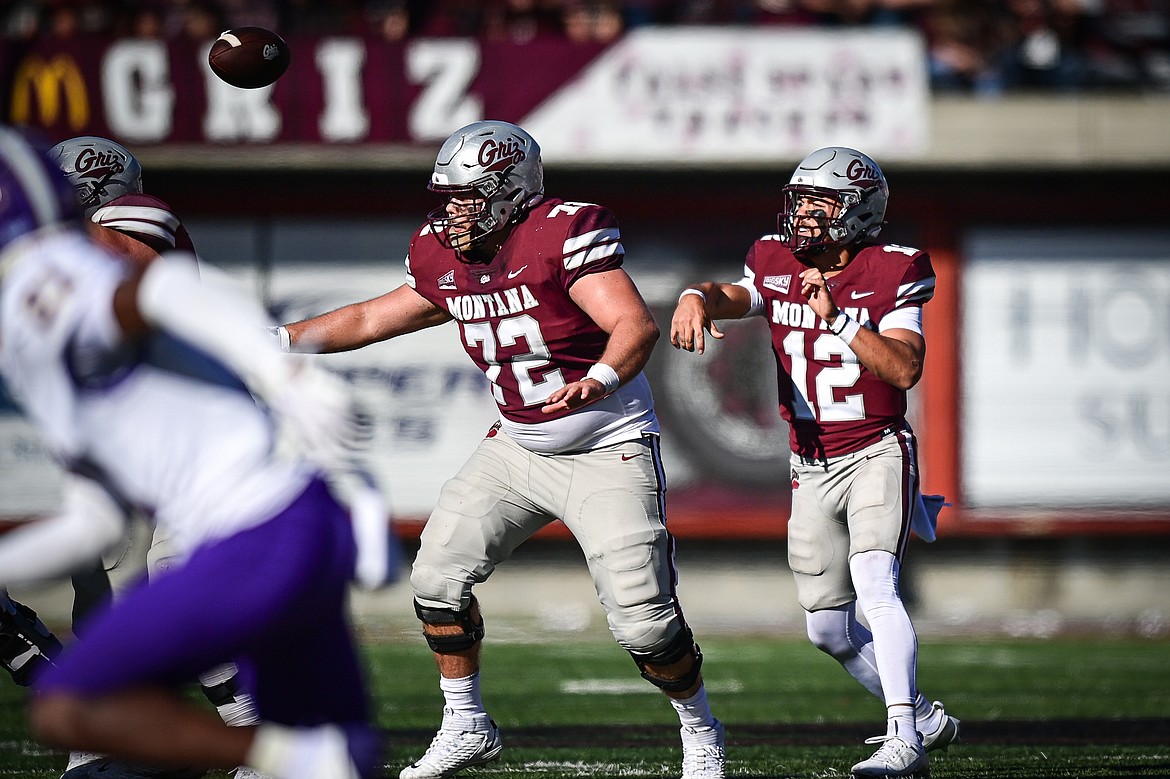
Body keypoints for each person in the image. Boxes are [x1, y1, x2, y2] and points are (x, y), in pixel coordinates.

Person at [276, 119, 726, 779]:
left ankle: (701, 729)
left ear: (511, 190)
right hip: (517, 446)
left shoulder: (559, 234)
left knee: (644, 623)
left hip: (607, 443)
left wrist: (596, 379)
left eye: (468, 197)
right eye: (449, 198)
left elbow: (634, 323)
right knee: (435, 578)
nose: (453, 213)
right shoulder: (443, 253)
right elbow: (372, 318)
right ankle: (466, 722)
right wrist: (279, 340)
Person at [0, 125, 385, 779]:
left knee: (72, 705)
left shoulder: (44, 275)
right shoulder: (53, 329)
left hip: (252, 534)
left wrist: (283, 370)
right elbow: (95, 519)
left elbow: (160, 288)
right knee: (344, 753)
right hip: (298, 518)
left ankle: (285, 757)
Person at [669, 147, 959, 778]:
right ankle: (926, 718)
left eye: (820, 203)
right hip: (810, 462)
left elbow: (904, 368)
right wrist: (695, 296)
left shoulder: (892, 270)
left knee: (876, 586)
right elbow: (734, 294)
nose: (803, 214)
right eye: (800, 200)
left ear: (857, 214)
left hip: (876, 447)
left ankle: (904, 737)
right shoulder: (775, 260)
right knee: (827, 631)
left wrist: (840, 318)